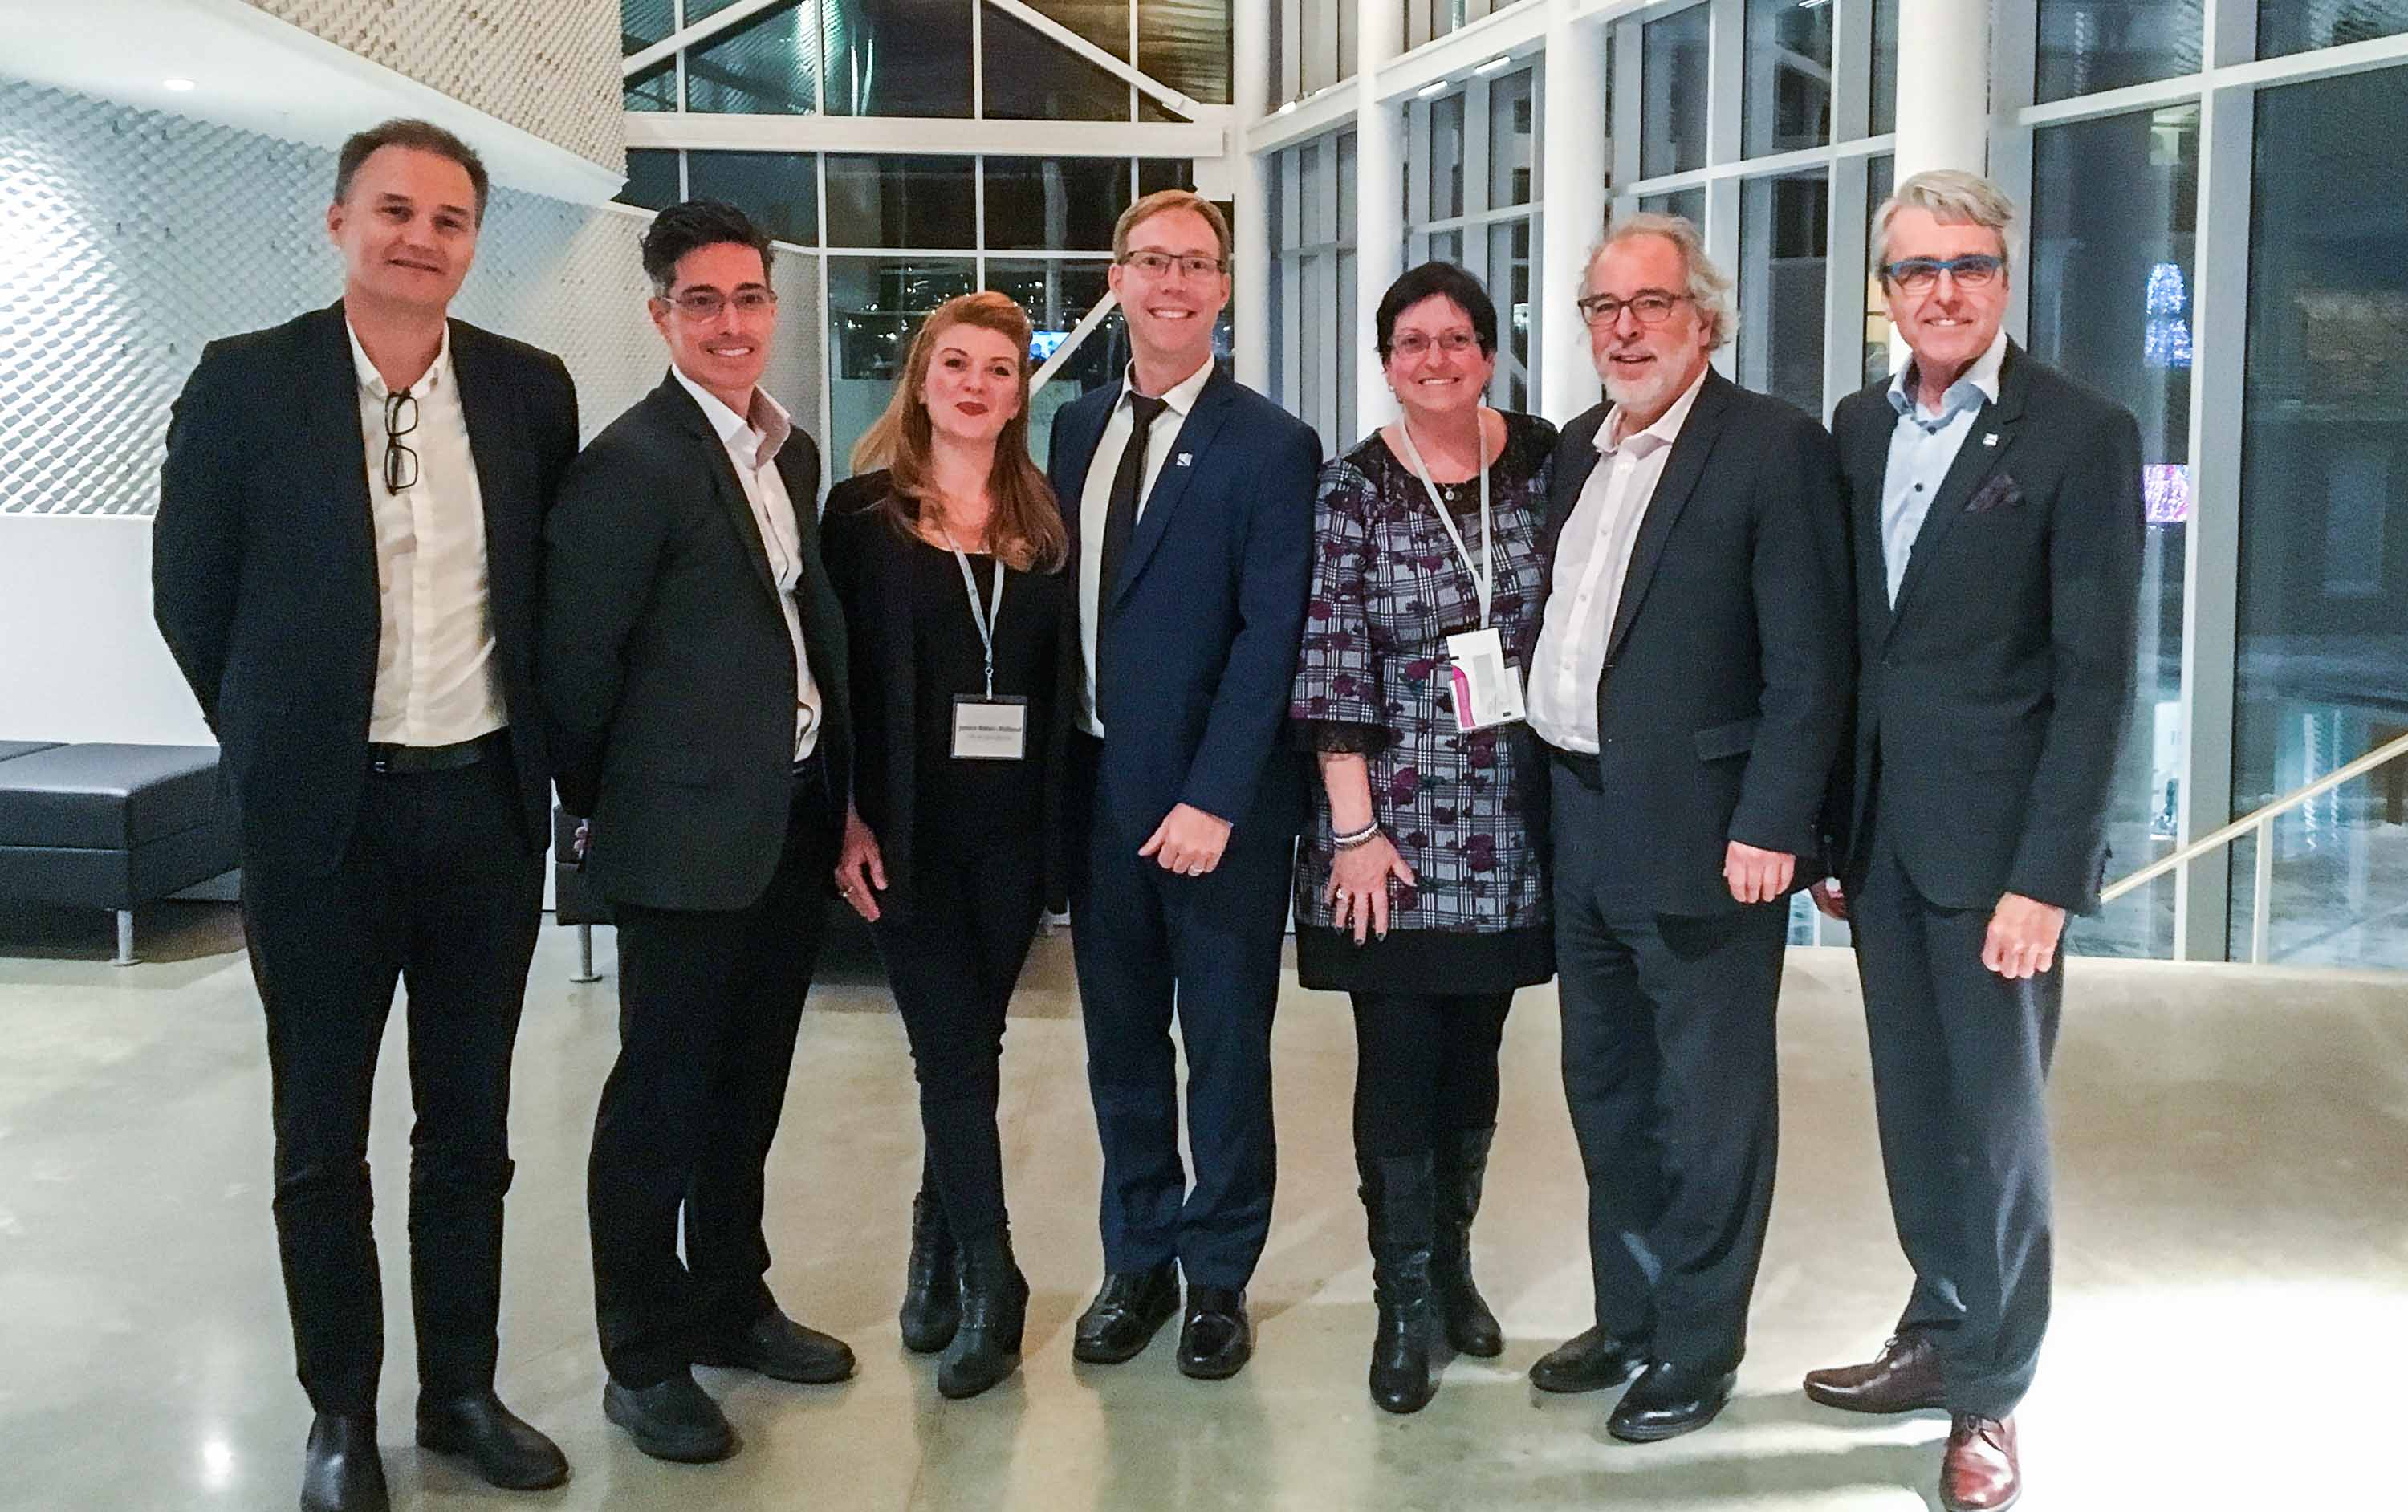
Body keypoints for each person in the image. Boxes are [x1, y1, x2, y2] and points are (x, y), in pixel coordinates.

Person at [153, 118, 575, 1512]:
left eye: (449, 219)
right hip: (320, 827)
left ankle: (460, 1392)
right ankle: (340, 1411)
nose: (420, 238)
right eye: (395, 210)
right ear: (338, 222)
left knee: (470, 1131)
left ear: (473, 244)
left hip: (484, 815)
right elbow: (190, 595)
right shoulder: (247, 383)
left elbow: (545, 592)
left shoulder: (527, 390)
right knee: (320, 1134)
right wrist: (279, 739)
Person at [1804, 169, 2142, 1512]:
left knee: (1995, 1133)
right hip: (1884, 846)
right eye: (1917, 270)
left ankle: (1992, 1396)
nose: (1943, 292)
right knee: (1915, 1110)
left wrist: (2047, 878)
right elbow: (1854, 647)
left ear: (2005, 278)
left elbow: (2096, 677)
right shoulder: (1856, 426)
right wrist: (1835, 829)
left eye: (1969, 267)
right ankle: (1939, 1328)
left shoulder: (2079, 433)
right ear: (1885, 290)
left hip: (2000, 860)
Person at [1524, 214, 1851, 1442]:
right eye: (1604, 308)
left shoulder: (1771, 446)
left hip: (1714, 837)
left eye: (1650, 304)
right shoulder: (1577, 448)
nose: (1625, 330)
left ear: (1703, 318)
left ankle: (1699, 1350)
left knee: (1712, 1107)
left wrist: (1777, 822)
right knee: (1607, 1090)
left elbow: (1810, 663)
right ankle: (1631, 1316)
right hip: (1582, 818)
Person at [539, 199, 855, 1465]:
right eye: (703, 302)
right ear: (661, 313)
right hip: (680, 843)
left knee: (749, 1085)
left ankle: (730, 1298)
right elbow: (576, 673)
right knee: (659, 1104)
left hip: (785, 819)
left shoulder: (788, 453)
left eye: (749, 298)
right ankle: (642, 1357)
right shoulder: (632, 464)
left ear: (773, 305)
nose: (732, 323)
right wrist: (615, 813)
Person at [1048, 189, 1320, 1380]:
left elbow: (1273, 638)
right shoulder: (1073, 428)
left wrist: (1214, 798)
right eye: (1151, 261)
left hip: (1218, 812)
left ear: (1222, 287)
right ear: (1116, 278)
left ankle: (1218, 1277)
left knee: (1223, 1050)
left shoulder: (1271, 443)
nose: (1172, 284)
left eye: (1196, 264)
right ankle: (1138, 1261)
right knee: (1118, 1048)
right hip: (1096, 793)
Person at [1288, 262, 1556, 1413]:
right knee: (1398, 1059)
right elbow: (1332, 654)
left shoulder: (1543, 462)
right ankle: (1401, 1302)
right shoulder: (1353, 487)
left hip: (1508, 823)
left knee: (1477, 1056)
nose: (1435, 359)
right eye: (1412, 343)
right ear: (1387, 362)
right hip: (1386, 828)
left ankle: (1452, 1269)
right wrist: (1353, 831)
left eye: (1456, 339)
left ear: (1489, 353)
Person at [823, 291, 1079, 1400]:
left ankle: (932, 1248)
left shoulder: (1044, 520)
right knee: (949, 1052)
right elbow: (834, 684)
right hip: (905, 834)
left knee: (972, 1045)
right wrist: (843, 815)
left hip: (1013, 833)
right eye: (957, 364)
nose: (977, 385)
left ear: (1021, 395)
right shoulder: (861, 516)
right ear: (921, 380)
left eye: (1000, 370)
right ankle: (992, 1275)